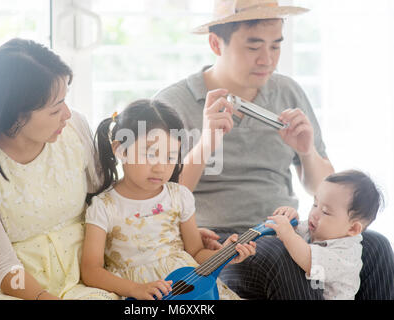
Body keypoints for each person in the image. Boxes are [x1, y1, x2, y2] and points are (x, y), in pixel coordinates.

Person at [154, 0, 394, 299]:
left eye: (276, 46)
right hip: (228, 243)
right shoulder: (171, 105)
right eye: (254, 47)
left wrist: (306, 151)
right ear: (216, 44)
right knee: (282, 257)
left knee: (375, 247)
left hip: (291, 228)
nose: (267, 60)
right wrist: (206, 143)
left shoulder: (287, 91)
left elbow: (326, 190)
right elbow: (161, 200)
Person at [0, 38, 119, 300]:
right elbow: (2, 264)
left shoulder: (74, 130)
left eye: (65, 100)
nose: (67, 115)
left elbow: (105, 199)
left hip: (85, 273)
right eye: (54, 110)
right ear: (14, 115)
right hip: (15, 286)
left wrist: (167, 224)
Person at [80, 99, 256, 300]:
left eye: (170, 157)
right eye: (150, 155)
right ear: (120, 150)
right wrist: (134, 289)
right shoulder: (104, 206)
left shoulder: (178, 196)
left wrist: (226, 255)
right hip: (138, 291)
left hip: (189, 289)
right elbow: (91, 270)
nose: (160, 168)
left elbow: (196, 252)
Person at [267, 170, 384, 300]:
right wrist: (290, 222)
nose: (314, 214)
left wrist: (288, 234)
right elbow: (291, 235)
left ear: (352, 228)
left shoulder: (345, 256)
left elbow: (308, 258)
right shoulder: (315, 228)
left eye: (325, 212)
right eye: (315, 204)